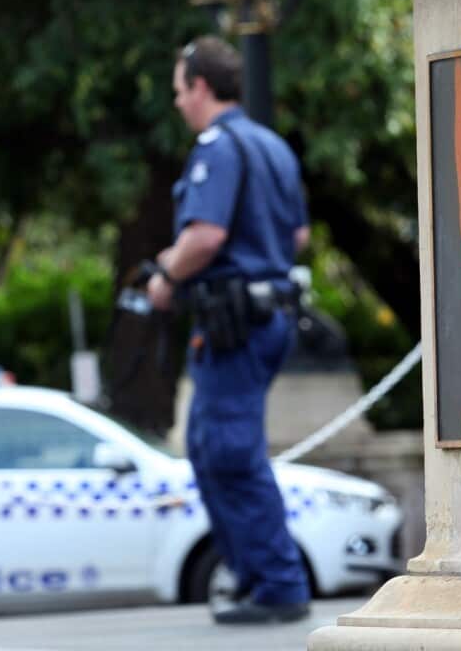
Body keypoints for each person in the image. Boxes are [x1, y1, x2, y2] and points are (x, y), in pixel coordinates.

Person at [147, 36, 312, 624]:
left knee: (229, 452)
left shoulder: (217, 146)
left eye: (178, 90)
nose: (177, 103)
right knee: (209, 448)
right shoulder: (272, 146)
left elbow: (206, 236)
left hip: (234, 323)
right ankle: (254, 576)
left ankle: (276, 583)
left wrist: (166, 274)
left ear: (200, 87)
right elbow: (296, 237)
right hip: (265, 317)